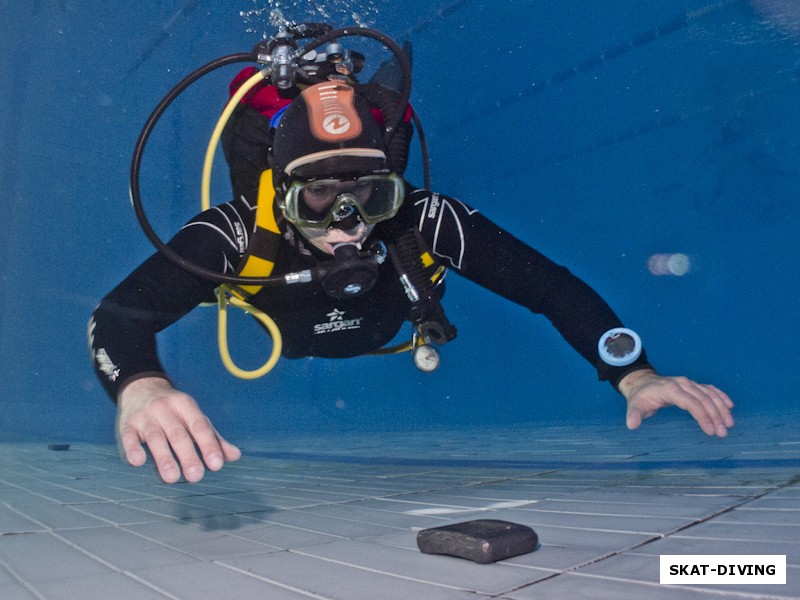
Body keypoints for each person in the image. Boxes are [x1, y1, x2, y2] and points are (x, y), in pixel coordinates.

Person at [89, 73, 734, 485]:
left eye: (368, 192)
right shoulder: (235, 233)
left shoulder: (422, 221)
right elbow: (118, 317)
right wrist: (140, 386)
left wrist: (634, 372)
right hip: (292, 331)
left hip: (379, 327)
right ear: (281, 195)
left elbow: (551, 288)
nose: (349, 223)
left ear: (390, 185)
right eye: (319, 199)